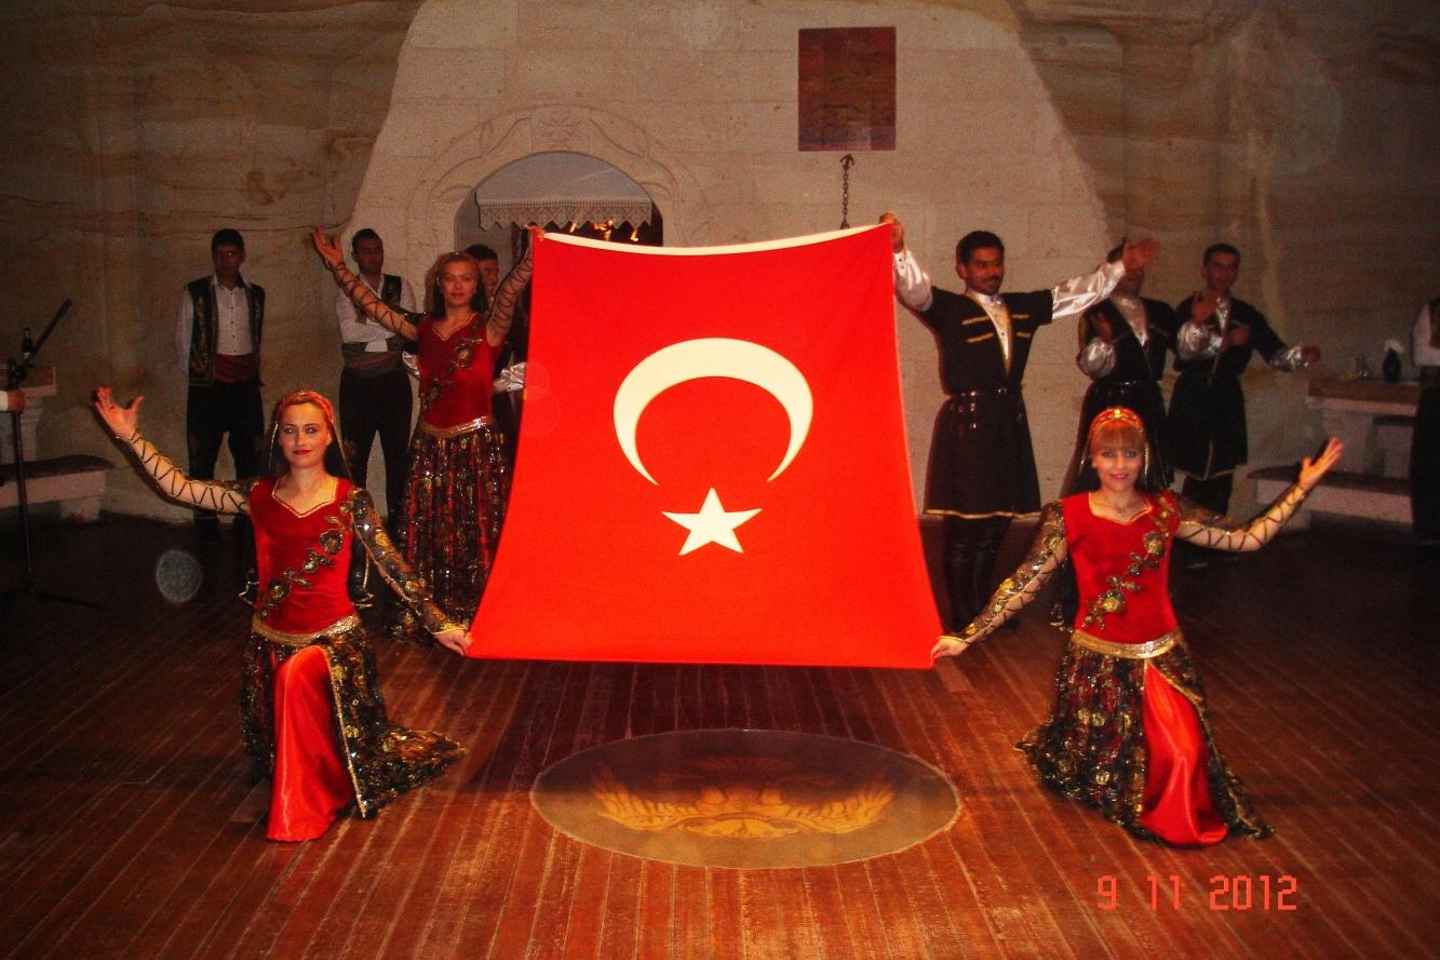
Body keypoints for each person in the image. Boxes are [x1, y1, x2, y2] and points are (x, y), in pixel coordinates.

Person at [934, 406, 1343, 846]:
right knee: (1125, 767)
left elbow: (1247, 538)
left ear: (1143, 457)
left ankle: (1175, 816)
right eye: (1108, 454)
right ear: (1092, 459)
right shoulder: (1067, 515)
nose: (1120, 465)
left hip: (1161, 662)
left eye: (1129, 454)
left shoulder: (1166, 509)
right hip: (1097, 669)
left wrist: (1301, 488)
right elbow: (1023, 584)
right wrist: (966, 636)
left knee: (1185, 755)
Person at [93, 385, 466, 842]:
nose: (300, 440)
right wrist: (130, 437)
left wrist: (438, 623)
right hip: (269, 645)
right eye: (290, 431)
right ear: (277, 436)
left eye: (310, 429)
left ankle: (300, 813)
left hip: (333, 649)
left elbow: (393, 566)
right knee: (287, 698)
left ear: (329, 435)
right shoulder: (258, 494)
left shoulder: (351, 499)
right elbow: (180, 488)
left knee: (295, 679)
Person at [882, 211, 1156, 630]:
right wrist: (899, 250)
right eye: (981, 265)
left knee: (999, 521)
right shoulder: (949, 308)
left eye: (996, 264)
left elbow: (1073, 295)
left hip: (1009, 423)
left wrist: (1119, 267)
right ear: (962, 269)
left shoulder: (1021, 308)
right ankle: (962, 616)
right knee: (967, 526)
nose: (991, 272)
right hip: (969, 424)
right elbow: (914, 291)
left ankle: (986, 608)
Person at [311, 227, 536, 645]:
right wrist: (338, 266)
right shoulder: (423, 328)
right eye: (450, 279)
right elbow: (375, 307)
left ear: (475, 286)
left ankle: (482, 609)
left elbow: (509, 292)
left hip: (476, 446)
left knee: (476, 532)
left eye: (466, 279)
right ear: (439, 284)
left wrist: (529, 258)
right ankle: (431, 611)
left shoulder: (489, 328)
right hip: (430, 446)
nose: (458, 286)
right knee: (427, 533)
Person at [1166, 243, 1321, 521]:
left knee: (1222, 476)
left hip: (1226, 397)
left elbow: (1275, 353)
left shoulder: (1246, 313)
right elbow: (1183, 350)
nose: (1224, 274)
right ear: (1205, 270)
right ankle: (1189, 538)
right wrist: (1223, 339)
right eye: (1218, 266)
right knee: (1196, 474)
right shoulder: (1189, 307)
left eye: (1231, 267)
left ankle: (1216, 537)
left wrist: (1301, 355)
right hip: (1193, 395)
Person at [176, 228, 266, 542]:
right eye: (220, 255)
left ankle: (246, 518)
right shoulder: (196, 292)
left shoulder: (255, 294)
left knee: (249, 455)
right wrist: (201, 376)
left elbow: (256, 339)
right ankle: (204, 522)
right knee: (202, 455)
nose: (226, 261)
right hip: (209, 387)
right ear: (213, 257)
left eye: (232, 254)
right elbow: (183, 340)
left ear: (242, 256)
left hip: (245, 386)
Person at [336, 228, 417, 518]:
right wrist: (389, 325)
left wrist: (370, 324)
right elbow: (349, 333)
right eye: (367, 251)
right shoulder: (346, 288)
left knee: (398, 455)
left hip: (393, 381)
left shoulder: (400, 285)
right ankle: (358, 522)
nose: (374, 256)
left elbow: (408, 328)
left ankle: (398, 520)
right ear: (355, 256)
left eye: (377, 250)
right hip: (357, 384)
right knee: (355, 457)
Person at [1412, 297, 1440, 544]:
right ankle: (1430, 532)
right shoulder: (1432, 311)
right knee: (1430, 463)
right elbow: (1423, 355)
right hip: (1436, 397)